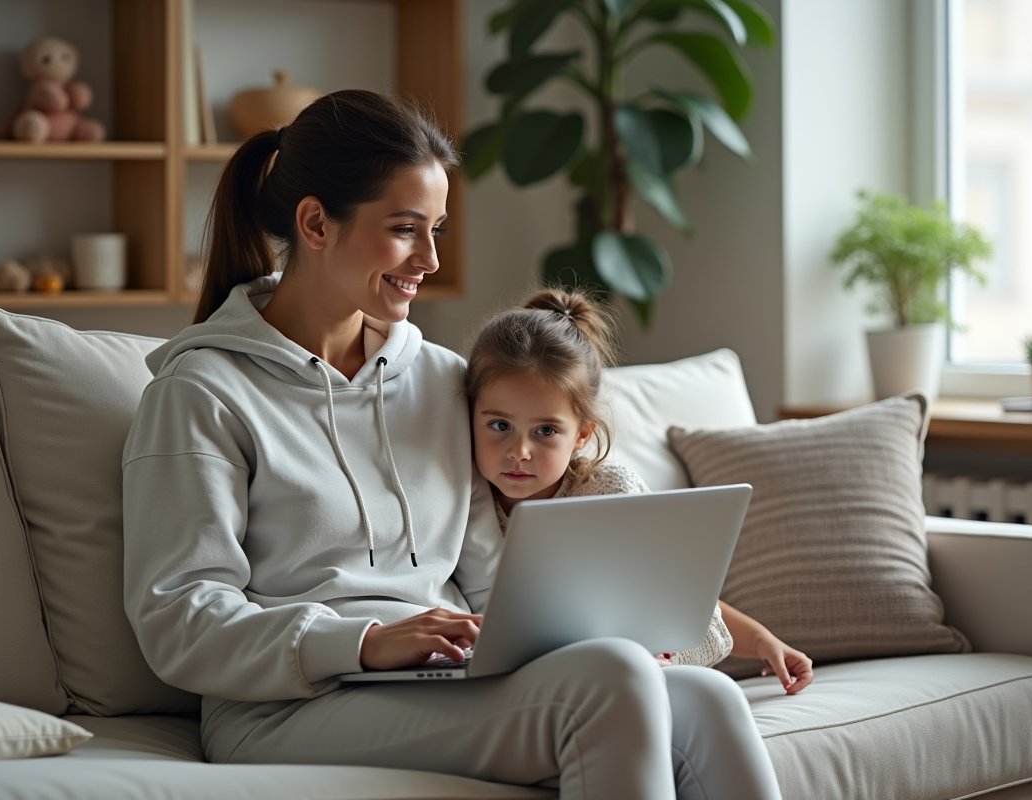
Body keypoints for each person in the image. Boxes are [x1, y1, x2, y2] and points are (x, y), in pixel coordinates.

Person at [121, 88, 784, 799]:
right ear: (315, 223)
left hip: (441, 676)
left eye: (436, 229)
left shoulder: (439, 379)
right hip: (286, 707)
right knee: (612, 682)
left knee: (703, 698)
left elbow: (493, 581)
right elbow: (179, 618)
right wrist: (368, 642)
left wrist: (584, 634)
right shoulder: (202, 393)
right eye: (407, 229)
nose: (430, 259)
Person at [465, 288, 815, 688]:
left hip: (624, 669)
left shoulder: (609, 491)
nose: (520, 452)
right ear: (469, 416)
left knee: (712, 690)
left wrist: (763, 641)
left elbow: (674, 594)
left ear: (582, 436)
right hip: (529, 682)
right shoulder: (461, 497)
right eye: (500, 426)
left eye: (545, 431)